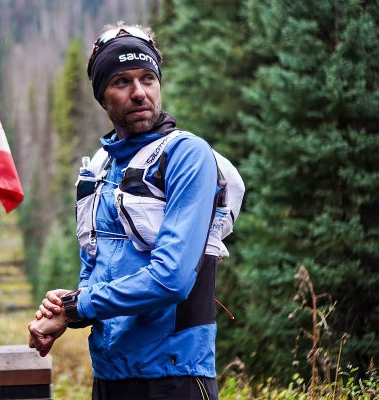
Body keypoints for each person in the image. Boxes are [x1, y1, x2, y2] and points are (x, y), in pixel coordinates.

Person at [28, 22, 243, 400]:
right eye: (122, 82)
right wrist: (65, 307)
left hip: (174, 377)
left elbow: (171, 279)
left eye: (148, 78)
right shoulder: (97, 169)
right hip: (110, 377)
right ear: (102, 96)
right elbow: (96, 272)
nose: (139, 93)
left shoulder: (187, 155)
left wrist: (78, 307)